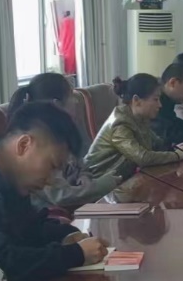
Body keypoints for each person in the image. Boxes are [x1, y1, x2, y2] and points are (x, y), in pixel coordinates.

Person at [0, 101, 109, 281]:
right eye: (52, 166)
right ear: (24, 145)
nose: (52, 180)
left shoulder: (7, 173)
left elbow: (27, 229)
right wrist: (75, 254)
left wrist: (66, 235)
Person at [8, 72, 119, 208]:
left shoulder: (63, 132)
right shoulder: (39, 146)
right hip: (52, 215)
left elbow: (81, 165)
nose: (76, 101)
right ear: (56, 105)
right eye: (72, 96)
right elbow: (61, 196)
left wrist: (84, 177)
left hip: (78, 206)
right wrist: (102, 185)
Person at [86, 73, 183, 181]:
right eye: (155, 99)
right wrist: (177, 155)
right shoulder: (120, 124)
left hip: (121, 180)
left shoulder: (139, 118)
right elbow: (142, 157)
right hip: (98, 185)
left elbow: (158, 144)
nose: (160, 105)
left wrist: (175, 148)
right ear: (136, 100)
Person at [56, 10, 76, 77]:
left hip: (66, 48)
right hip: (69, 48)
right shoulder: (70, 22)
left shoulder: (65, 22)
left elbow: (62, 37)